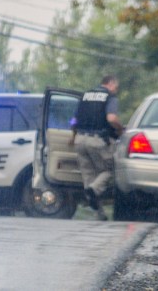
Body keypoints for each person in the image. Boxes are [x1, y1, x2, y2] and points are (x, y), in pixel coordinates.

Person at [69, 75, 124, 221]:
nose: (116, 90)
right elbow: (111, 119)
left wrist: (73, 136)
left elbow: (74, 120)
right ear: (111, 84)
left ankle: (99, 214)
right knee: (109, 169)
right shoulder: (110, 97)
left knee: (89, 176)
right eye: (116, 87)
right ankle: (93, 191)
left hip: (80, 139)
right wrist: (121, 129)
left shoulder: (85, 95)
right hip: (98, 140)